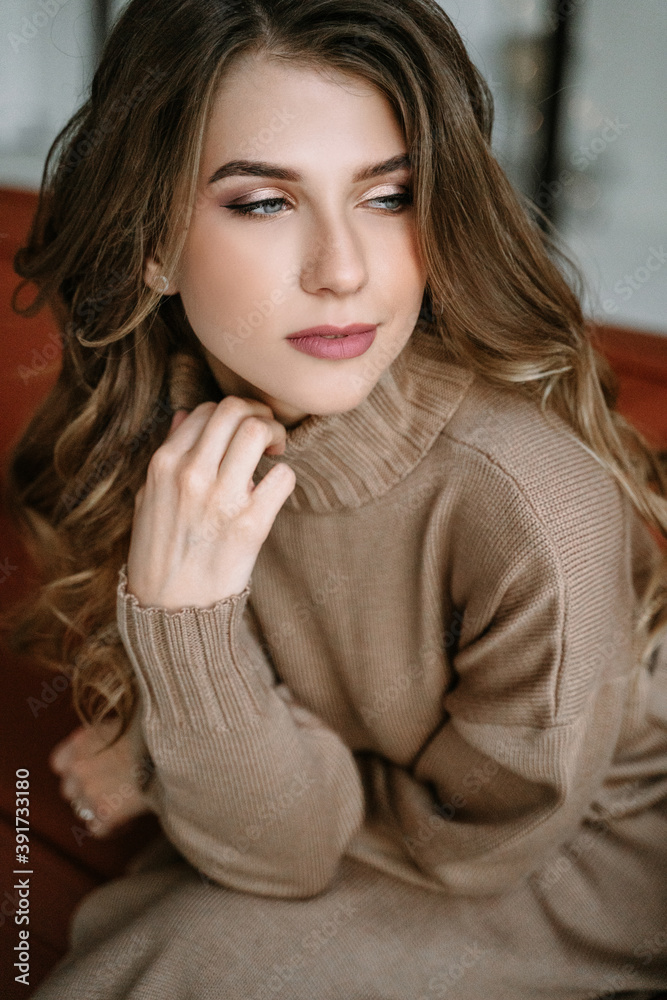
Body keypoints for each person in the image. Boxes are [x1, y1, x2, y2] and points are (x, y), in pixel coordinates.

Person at [3, 0, 667, 997]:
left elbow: (462, 845)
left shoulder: (532, 497)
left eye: (388, 195)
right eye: (264, 202)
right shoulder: (171, 423)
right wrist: (188, 659)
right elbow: (281, 834)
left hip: (555, 867)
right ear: (153, 243)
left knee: (175, 965)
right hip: (324, 830)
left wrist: (166, 719)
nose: (344, 271)